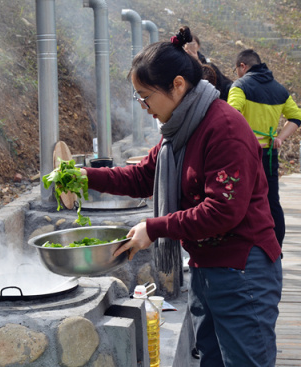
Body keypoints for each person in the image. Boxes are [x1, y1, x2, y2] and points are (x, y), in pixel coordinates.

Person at [82, 27, 282, 366]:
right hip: (208, 269)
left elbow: (222, 211)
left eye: (145, 96)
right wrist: (86, 177)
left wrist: (155, 228)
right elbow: (144, 176)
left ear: (177, 85)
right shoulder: (179, 129)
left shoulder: (224, 128)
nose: (143, 106)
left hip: (242, 271)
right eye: (138, 98)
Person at [227, 49, 301, 248]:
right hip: (269, 153)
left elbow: (231, 116)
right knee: (271, 201)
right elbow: (296, 117)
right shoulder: (279, 89)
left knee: (241, 199)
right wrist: (279, 137)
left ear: (242, 66)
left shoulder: (240, 86)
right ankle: (276, 247)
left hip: (245, 153)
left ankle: (247, 247)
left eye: (237, 69)